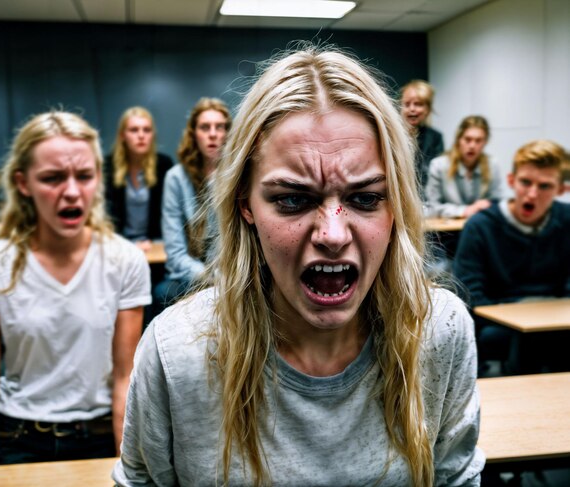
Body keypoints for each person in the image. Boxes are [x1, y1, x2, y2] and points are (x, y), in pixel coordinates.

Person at [113, 48, 484, 486]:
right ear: (244, 204)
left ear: (397, 205)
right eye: (293, 199)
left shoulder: (439, 331)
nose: (332, 234)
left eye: (365, 198)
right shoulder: (176, 351)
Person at [0, 111, 152, 466]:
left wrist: (128, 470)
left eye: (84, 176)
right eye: (52, 178)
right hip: (18, 438)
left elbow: (125, 380)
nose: (71, 192)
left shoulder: (125, 261)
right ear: (23, 183)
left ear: (98, 178)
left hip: (96, 437)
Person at [454, 139, 570, 371]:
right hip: (498, 321)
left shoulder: (566, 221)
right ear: (511, 181)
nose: (532, 194)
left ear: (561, 190)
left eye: (545, 186)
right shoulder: (480, 226)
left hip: (556, 319)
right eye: (525, 182)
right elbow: (470, 295)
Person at [153, 97, 231, 311]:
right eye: (205, 127)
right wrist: (210, 277)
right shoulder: (176, 178)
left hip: (230, 271)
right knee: (162, 293)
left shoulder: (236, 174)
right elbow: (175, 252)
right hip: (190, 275)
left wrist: (217, 180)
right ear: (194, 134)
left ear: (227, 133)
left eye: (220, 127)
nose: (213, 134)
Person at [104, 106, 174, 250]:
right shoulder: (107, 167)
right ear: (122, 135)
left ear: (152, 135)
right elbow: (105, 216)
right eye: (134, 130)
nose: (141, 135)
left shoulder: (164, 165)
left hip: (156, 244)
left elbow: (170, 215)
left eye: (146, 130)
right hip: (117, 245)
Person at [425, 115, 503, 219]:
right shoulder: (438, 165)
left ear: (485, 142)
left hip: (480, 229)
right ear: (458, 140)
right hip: (447, 232)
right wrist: (464, 211)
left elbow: (497, 203)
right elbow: (432, 208)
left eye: (478, 141)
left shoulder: (492, 165)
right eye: (468, 139)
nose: (472, 146)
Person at [400, 80, 444, 193]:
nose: (412, 109)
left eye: (418, 104)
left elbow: (436, 176)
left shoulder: (435, 138)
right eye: (407, 104)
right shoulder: (391, 135)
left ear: (428, 109)